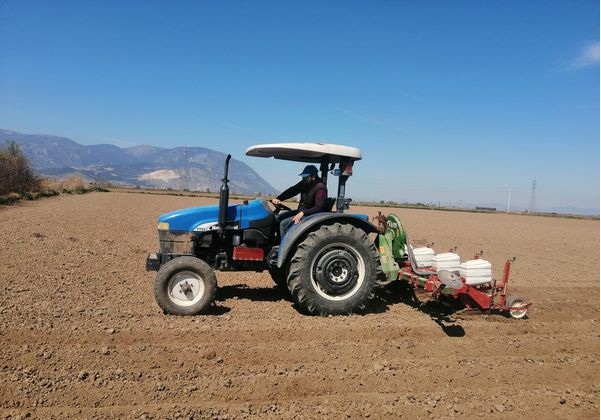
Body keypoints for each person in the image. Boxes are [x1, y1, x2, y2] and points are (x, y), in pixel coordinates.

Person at [270, 164, 327, 234]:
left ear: (313, 177)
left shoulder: (320, 188)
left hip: (310, 215)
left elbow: (319, 207)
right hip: (301, 212)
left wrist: (302, 213)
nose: (303, 178)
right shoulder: (305, 183)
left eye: (306, 177)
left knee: (284, 224)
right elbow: (293, 190)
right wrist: (279, 198)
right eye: (303, 177)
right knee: (279, 218)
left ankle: (284, 244)